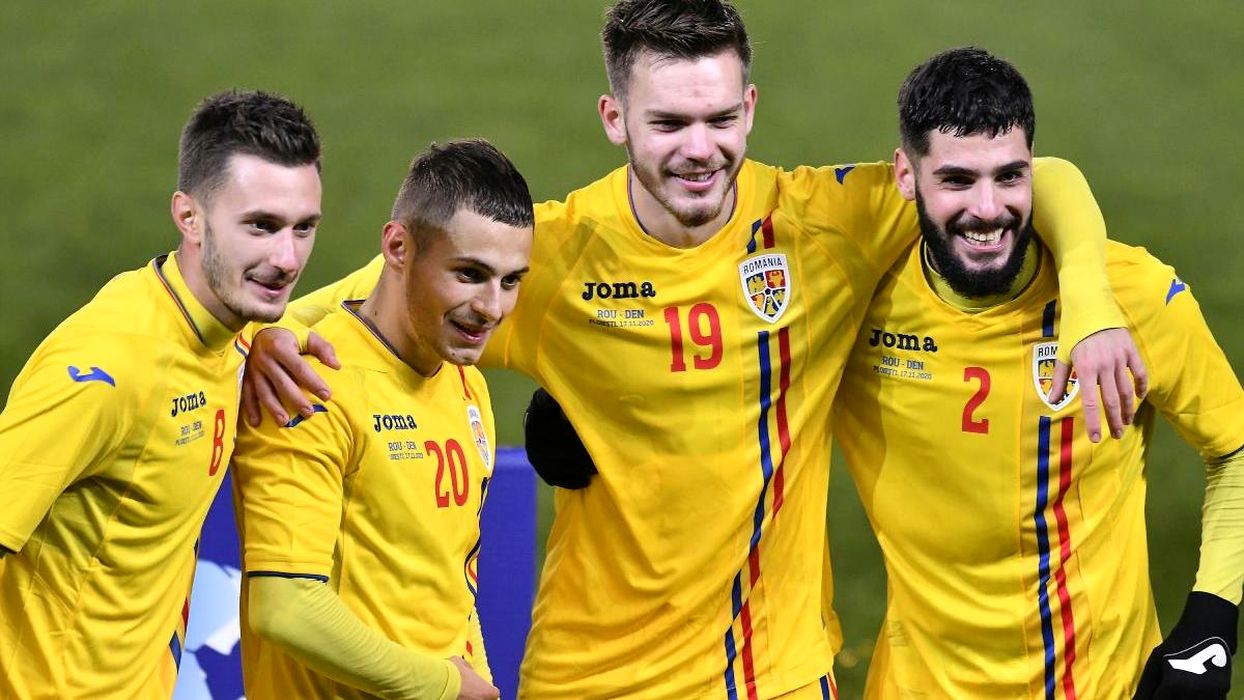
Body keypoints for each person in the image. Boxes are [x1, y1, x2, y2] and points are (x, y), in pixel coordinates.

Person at [248, 2, 1143, 697]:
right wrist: (270, 338)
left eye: (719, 119)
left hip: (774, 675)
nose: (700, 150)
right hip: (591, 675)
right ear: (614, 118)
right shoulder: (552, 255)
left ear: (750, 108)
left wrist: (1093, 305)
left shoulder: (825, 223)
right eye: (669, 123)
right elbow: (384, 294)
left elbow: (1038, 175)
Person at [826, 47, 1243, 699]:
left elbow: (1235, 448)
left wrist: (1212, 622)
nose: (988, 209)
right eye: (957, 180)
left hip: (1102, 686)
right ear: (906, 175)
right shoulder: (853, 302)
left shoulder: (1130, 296)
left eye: (1009, 177)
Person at [0, 90, 322, 698]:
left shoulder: (232, 327)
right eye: (261, 226)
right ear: (189, 217)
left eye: (303, 228)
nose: (286, 259)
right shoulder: (108, 369)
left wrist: (273, 334)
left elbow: (373, 290)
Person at [232, 139, 532, 700]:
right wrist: (446, 687)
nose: (492, 308)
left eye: (511, 280)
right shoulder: (310, 383)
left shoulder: (466, 382)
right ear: (397, 247)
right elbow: (286, 608)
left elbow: (455, 584)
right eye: (470, 274)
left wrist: (480, 684)